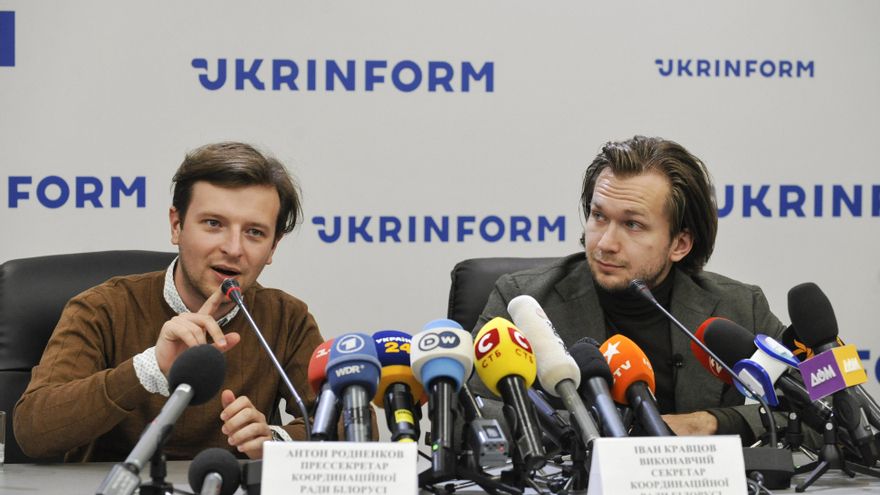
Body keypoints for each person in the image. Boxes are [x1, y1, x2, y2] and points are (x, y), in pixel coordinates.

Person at [14, 142, 325, 461]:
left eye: (255, 232)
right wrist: (148, 368)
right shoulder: (102, 307)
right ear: (176, 225)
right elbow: (33, 431)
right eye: (214, 224)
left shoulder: (287, 318)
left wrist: (276, 441)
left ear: (273, 247)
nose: (233, 248)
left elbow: (353, 423)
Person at [473, 135, 785, 444]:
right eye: (598, 216)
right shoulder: (523, 301)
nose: (605, 243)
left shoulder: (740, 307)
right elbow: (474, 412)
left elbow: (819, 409)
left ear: (680, 243)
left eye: (632, 224)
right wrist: (608, 432)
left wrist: (710, 423)